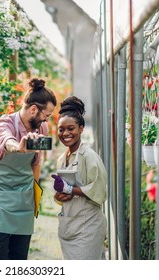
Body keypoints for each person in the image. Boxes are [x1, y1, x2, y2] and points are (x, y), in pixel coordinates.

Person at [0, 78, 57, 260]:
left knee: (19, 258)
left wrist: (35, 198)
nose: (46, 120)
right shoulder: (4, 123)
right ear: (33, 109)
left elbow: (36, 164)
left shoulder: (42, 128)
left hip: (24, 200)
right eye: (45, 116)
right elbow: (7, 141)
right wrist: (19, 147)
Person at [51, 96, 107, 260]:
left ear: (81, 128)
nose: (65, 133)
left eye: (71, 128)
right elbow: (65, 196)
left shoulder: (89, 156)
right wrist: (59, 196)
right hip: (69, 227)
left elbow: (99, 191)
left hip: (87, 228)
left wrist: (68, 189)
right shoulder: (63, 158)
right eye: (61, 129)